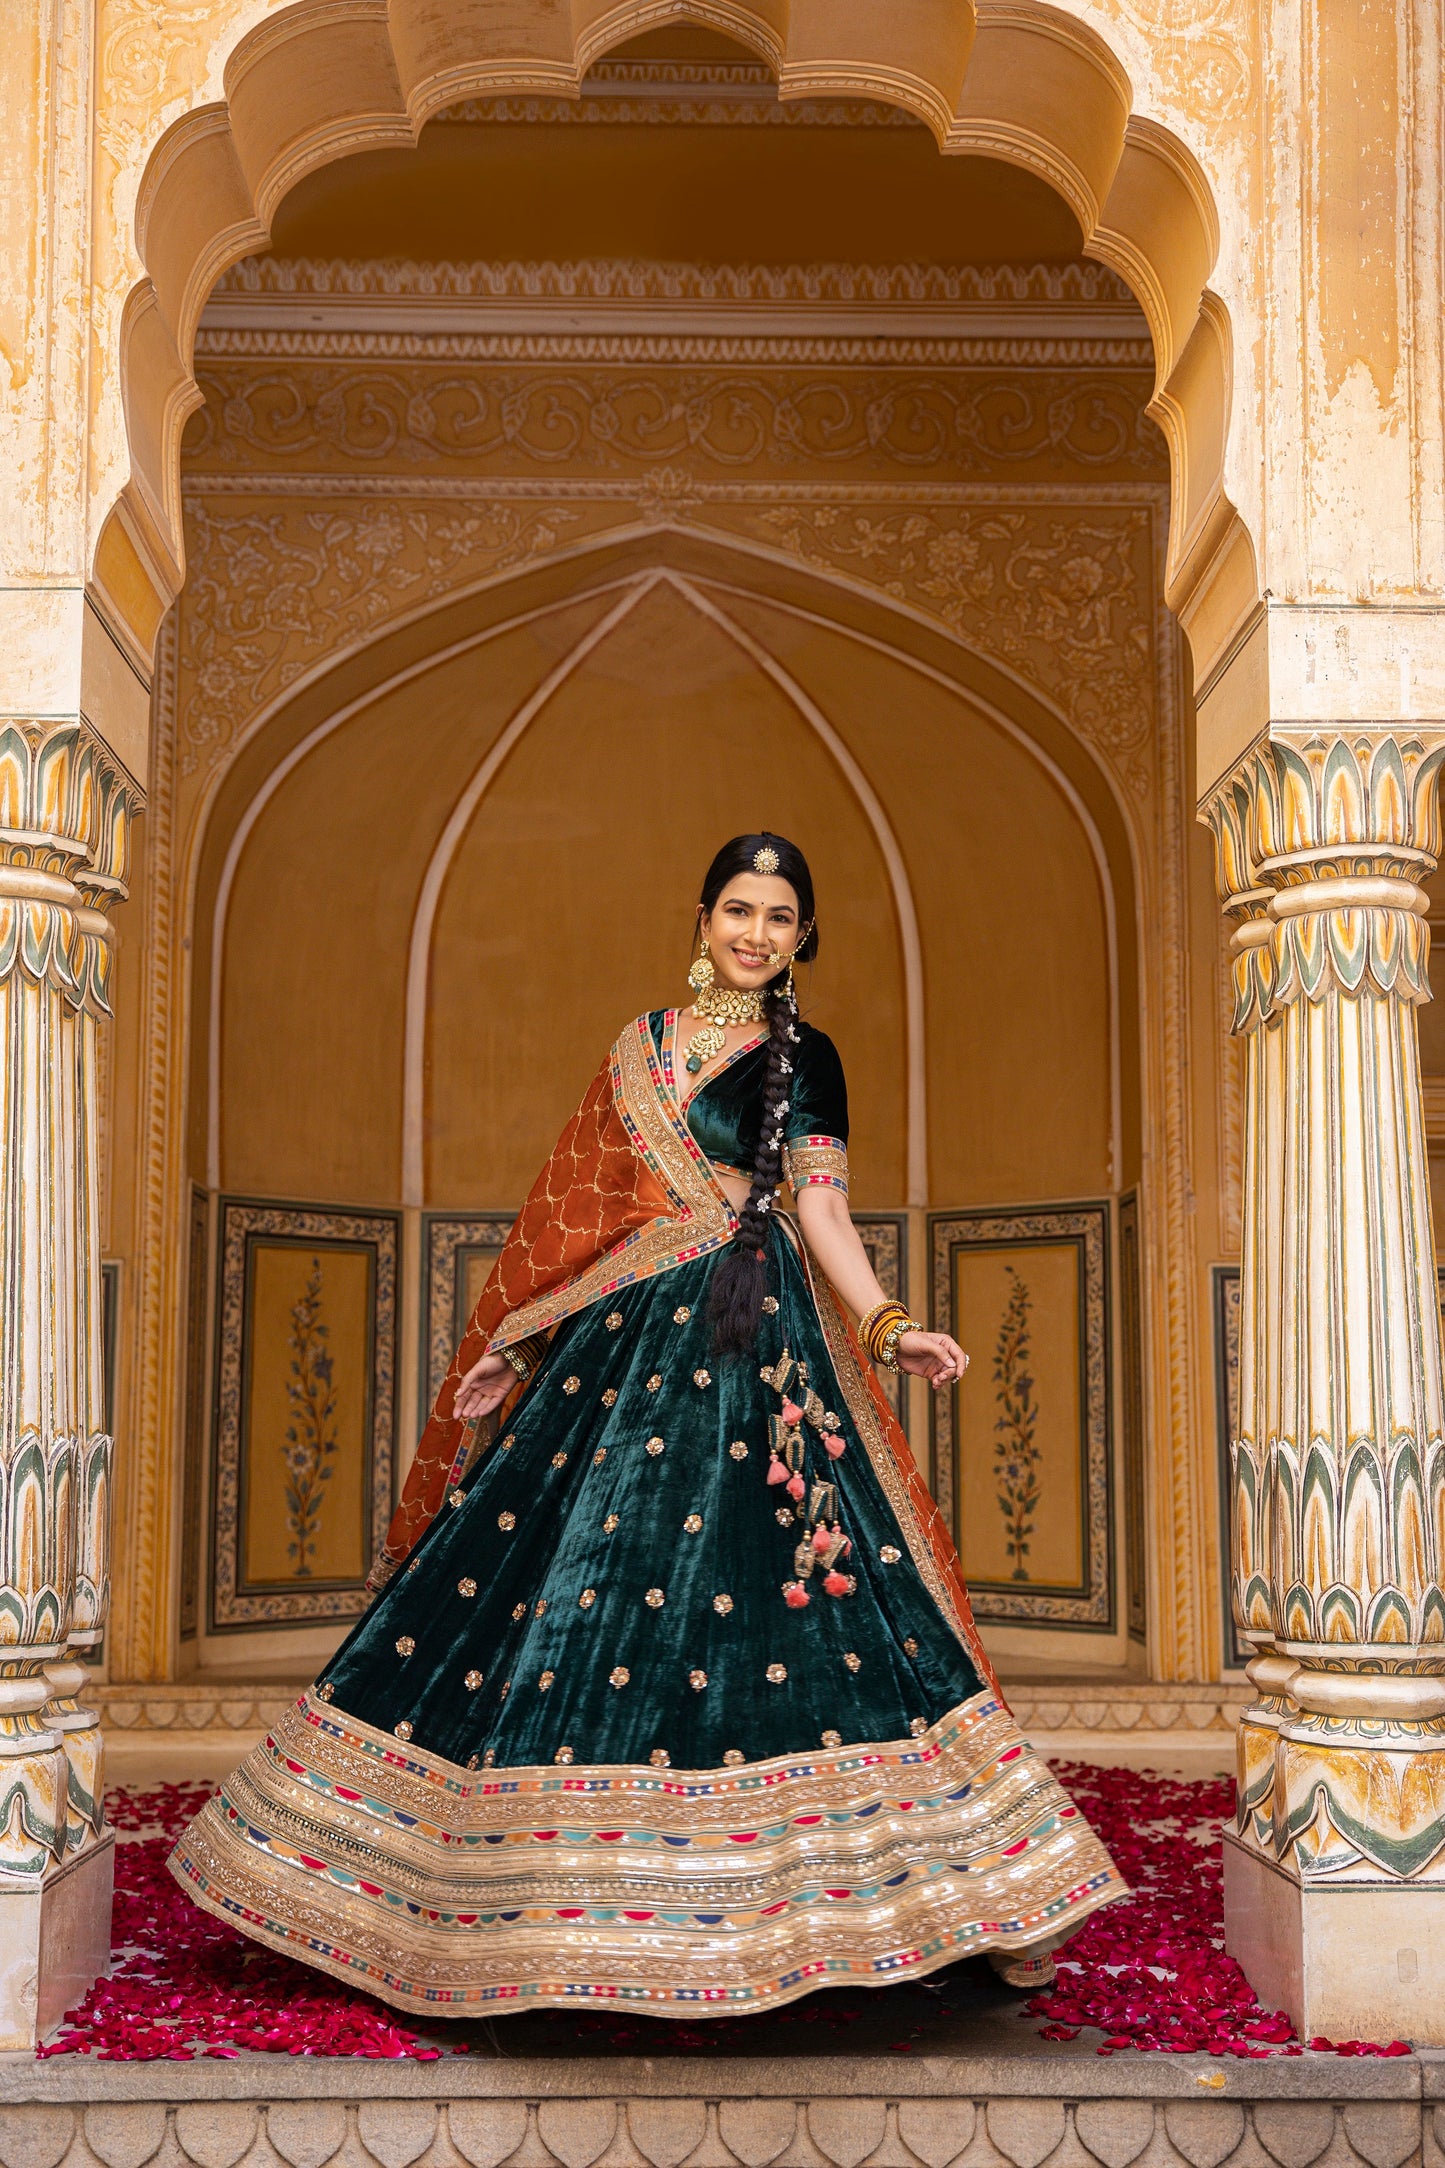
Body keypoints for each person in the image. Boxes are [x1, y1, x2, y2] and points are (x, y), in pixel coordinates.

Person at [170, 832, 1123, 2015]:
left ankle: (947, 1900)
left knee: (811, 1588)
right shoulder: (642, 1048)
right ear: (702, 914)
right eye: (739, 909)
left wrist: (886, 1326)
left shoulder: (805, 1054)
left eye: (780, 918)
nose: (756, 933)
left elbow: (820, 1207)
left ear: (800, 937)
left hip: (757, 1332)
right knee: (552, 1587)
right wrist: (516, 1349)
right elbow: (579, 1222)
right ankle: (485, 1893)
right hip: (619, 1343)